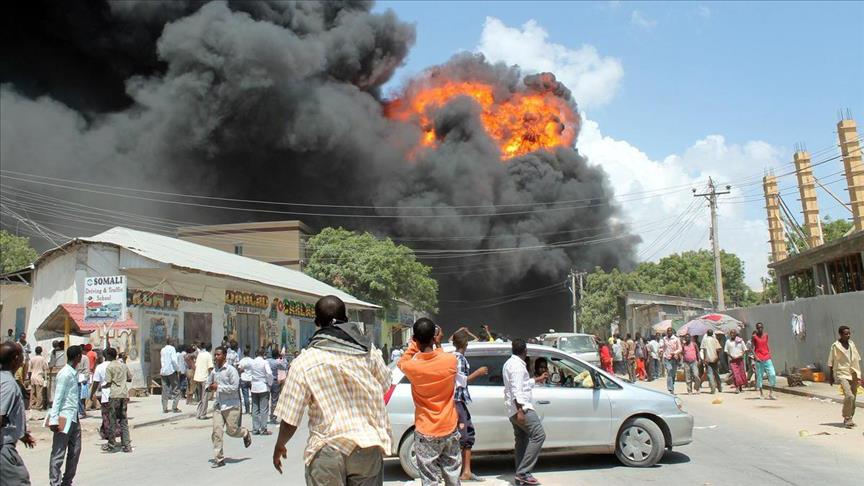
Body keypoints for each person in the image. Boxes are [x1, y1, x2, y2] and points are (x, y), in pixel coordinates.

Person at [272, 295, 391, 485]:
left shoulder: (305, 361)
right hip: (367, 447)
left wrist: (280, 445)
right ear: (346, 319)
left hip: (327, 450)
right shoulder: (369, 352)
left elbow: (290, 417)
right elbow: (385, 384)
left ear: (317, 323)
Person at [398, 319, 460, 486]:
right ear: (435, 337)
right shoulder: (451, 361)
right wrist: (438, 344)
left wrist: (413, 344)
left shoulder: (411, 367)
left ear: (415, 339)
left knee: (430, 480)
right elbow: (444, 357)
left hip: (426, 431)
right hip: (449, 427)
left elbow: (401, 362)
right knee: (452, 475)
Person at [503, 339, 547, 486]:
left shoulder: (511, 363)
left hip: (513, 409)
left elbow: (522, 385)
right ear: (525, 351)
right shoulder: (517, 366)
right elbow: (516, 390)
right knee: (539, 435)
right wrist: (521, 410)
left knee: (522, 440)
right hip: (521, 408)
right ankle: (523, 473)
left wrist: (537, 379)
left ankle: (520, 473)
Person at [451, 327, 489, 482]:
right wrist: (478, 373)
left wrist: (461, 331)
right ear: (465, 344)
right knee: (465, 435)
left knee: (466, 434)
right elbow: (461, 381)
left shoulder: (452, 355)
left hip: (459, 401)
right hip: (458, 400)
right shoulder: (458, 359)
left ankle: (465, 471)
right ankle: (463, 472)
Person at [210, 346, 253, 467]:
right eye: (215, 355)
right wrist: (209, 387)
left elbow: (234, 387)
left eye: (218, 355)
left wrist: (218, 388)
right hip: (219, 405)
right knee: (216, 432)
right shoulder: (214, 371)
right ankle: (219, 459)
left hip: (231, 405)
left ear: (224, 356)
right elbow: (210, 383)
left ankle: (244, 432)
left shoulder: (231, 370)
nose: (216, 357)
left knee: (232, 431)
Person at [1, 342, 36, 485]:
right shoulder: (8, 384)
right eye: (22, 354)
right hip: (3, 449)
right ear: (16, 358)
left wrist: (21, 434)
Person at [48, 345, 83, 486]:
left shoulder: (73, 372)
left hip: (74, 417)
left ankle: (67, 482)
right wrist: (53, 419)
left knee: (75, 451)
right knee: (58, 452)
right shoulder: (65, 374)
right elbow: (58, 398)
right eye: (80, 355)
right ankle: (54, 482)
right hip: (64, 417)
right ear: (77, 357)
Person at [827, 325, 860, 428]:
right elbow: (831, 362)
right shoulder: (835, 346)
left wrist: (859, 375)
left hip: (853, 372)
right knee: (849, 395)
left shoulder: (851, 344)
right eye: (846, 334)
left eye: (849, 333)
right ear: (841, 334)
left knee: (853, 397)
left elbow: (856, 358)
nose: (848, 335)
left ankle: (849, 417)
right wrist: (831, 376)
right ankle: (847, 417)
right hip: (841, 373)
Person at [103, 347, 133, 453]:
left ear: (107, 356)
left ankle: (111, 444)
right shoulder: (123, 365)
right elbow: (130, 378)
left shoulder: (109, 367)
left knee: (113, 420)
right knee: (123, 420)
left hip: (114, 395)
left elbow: (108, 382)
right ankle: (127, 445)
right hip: (124, 394)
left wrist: (103, 387)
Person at [249, 348, 274, 435]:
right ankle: (263, 429)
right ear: (263, 354)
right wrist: (270, 383)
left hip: (254, 386)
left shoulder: (252, 362)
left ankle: (255, 429)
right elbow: (269, 374)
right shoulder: (264, 362)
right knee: (264, 408)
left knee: (255, 408)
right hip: (263, 386)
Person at [92, 348, 114, 440]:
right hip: (119, 395)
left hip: (106, 395)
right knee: (116, 416)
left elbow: (96, 383)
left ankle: (109, 437)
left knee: (106, 416)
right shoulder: (119, 365)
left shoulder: (100, 367)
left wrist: (92, 393)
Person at [751, 322, 777, 400]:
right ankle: (761, 393)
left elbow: (766, 344)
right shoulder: (754, 337)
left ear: (763, 327)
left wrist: (769, 353)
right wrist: (755, 357)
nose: (760, 329)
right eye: (758, 328)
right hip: (759, 358)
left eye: (761, 327)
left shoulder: (766, 335)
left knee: (772, 374)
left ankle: (771, 393)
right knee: (759, 375)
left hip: (767, 357)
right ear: (756, 329)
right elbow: (752, 348)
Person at [160, 338, 181, 413]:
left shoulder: (162, 349)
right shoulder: (172, 349)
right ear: (171, 342)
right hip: (171, 371)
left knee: (165, 390)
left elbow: (162, 361)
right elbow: (174, 360)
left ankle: (164, 408)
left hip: (163, 371)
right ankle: (174, 407)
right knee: (176, 389)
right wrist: (178, 369)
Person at [194, 343, 214, 419]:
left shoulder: (200, 354)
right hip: (205, 378)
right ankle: (203, 414)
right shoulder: (208, 355)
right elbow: (210, 368)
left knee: (200, 397)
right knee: (205, 397)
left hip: (197, 377)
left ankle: (198, 413)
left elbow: (196, 365)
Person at [267, 348, 287, 424]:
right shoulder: (277, 362)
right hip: (275, 381)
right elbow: (284, 367)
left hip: (268, 382)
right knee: (274, 400)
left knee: (266, 399)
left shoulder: (267, 361)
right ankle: (273, 416)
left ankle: (266, 415)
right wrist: (283, 358)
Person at [700, 329, 723, 394]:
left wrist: (704, 359)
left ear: (707, 334)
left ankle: (713, 388)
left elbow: (704, 350)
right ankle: (719, 387)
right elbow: (718, 349)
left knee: (710, 374)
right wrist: (718, 357)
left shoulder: (704, 340)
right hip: (715, 359)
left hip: (708, 359)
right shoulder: (715, 340)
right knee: (716, 374)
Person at [660, 328, 682, 395]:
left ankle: (672, 385)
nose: (669, 332)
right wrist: (661, 351)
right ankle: (670, 388)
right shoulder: (664, 339)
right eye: (668, 331)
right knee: (669, 372)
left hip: (674, 358)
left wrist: (675, 352)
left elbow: (680, 349)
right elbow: (662, 347)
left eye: (670, 331)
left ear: (672, 332)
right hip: (667, 358)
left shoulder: (676, 339)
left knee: (673, 374)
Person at [29, 346, 49, 411]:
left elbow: (29, 370)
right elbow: (45, 368)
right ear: (41, 351)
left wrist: (29, 378)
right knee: (39, 393)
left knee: (33, 393)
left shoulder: (32, 359)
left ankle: (32, 406)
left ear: (35, 351)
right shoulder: (42, 359)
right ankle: (39, 407)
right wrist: (46, 378)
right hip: (39, 377)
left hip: (33, 377)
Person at [76, 346, 91, 419]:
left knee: (81, 397)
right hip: (75, 378)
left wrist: (86, 378)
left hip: (82, 379)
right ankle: (80, 411)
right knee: (77, 397)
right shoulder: (75, 358)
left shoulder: (85, 358)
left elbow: (87, 369)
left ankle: (81, 412)